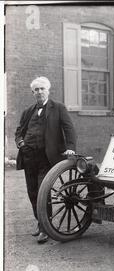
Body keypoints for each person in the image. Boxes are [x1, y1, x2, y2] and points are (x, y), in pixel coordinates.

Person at [15, 76, 77, 244]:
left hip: (47, 157)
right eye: (36, 90)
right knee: (32, 192)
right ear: (32, 92)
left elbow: (69, 128)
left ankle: (45, 228)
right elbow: (19, 131)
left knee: (44, 192)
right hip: (29, 157)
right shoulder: (28, 111)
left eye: (42, 89)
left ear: (48, 90)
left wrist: (70, 147)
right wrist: (20, 143)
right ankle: (40, 221)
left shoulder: (58, 108)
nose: (39, 92)